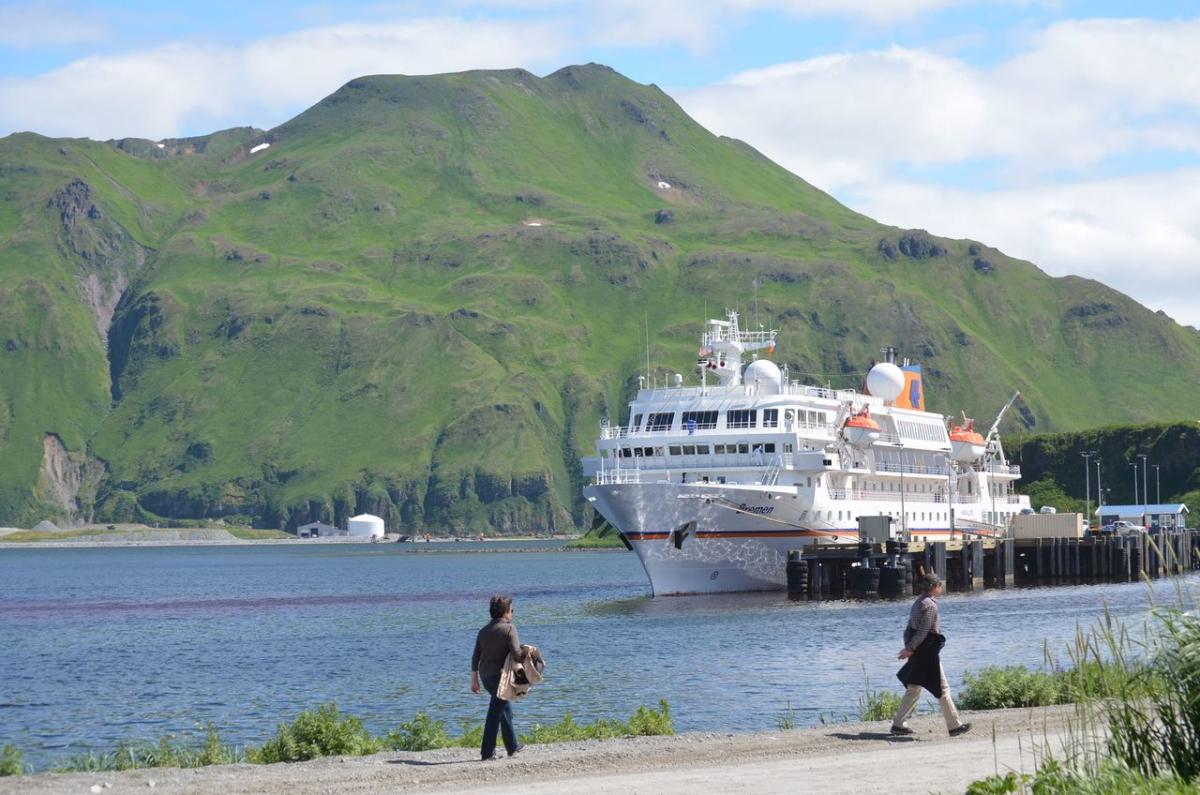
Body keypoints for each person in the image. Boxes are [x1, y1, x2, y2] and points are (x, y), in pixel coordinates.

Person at [890, 574, 971, 737]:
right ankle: (954, 726)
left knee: (914, 688)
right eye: (939, 586)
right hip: (927, 653)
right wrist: (910, 649)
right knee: (942, 689)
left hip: (919, 652)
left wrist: (909, 647)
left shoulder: (917, 603)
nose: (941, 588)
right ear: (934, 587)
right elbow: (923, 632)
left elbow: (908, 629)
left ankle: (898, 724)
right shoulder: (931, 606)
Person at [471, 594, 526, 760]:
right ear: (506, 613)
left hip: (485, 677)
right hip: (501, 678)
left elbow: (475, 657)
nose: (513, 613)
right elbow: (517, 655)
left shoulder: (483, 631)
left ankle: (512, 747)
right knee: (495, 713)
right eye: (512, 610)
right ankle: (487, 753)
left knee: (504, 709)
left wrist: (474, 680)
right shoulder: (509, 628)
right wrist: (529, 654)